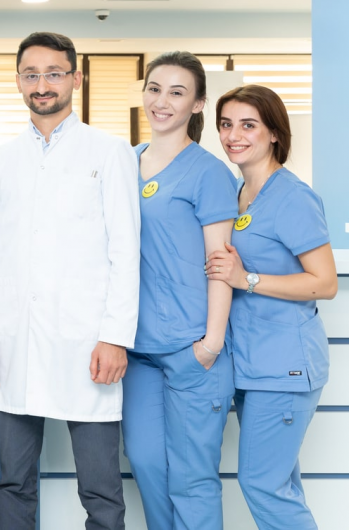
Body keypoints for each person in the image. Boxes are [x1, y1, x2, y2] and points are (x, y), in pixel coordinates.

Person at [0, 31, 140, 530]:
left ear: (76, 79)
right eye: (31, 75)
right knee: (13, 481)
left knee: (100, 488)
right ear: (18, 81)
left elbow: (125, 252)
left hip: (88, 342)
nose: (42, 85)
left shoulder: (109, 152)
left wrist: (115, 336)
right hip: (16, 343)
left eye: (53, 73)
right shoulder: (2, 159)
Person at [206, 85, 337, 530]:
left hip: (284, 367)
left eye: (248, 125)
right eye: (226, 124)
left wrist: (247, 279)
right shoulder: (238, 193)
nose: (233, 136)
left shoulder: (293, 197)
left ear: (275, 133)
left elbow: (325, 283)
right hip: (252, 365)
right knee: (279, 486)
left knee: (263, 485)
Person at [120, 52, 237, 530]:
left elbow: (221, 265)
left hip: (193, 349)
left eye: (177, 92)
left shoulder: (208, 173)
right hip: (138, 350)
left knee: (191, 478)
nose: (161, 102)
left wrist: (210, 344)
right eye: (154, 89)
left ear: (198, 104)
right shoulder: (124, 162)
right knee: (147, 465)